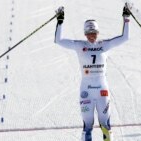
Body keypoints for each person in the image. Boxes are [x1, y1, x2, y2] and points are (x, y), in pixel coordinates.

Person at [54, 3, 130, 141]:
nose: (91, 36)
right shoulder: (79, 45)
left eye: (94, 33)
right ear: (85, 34)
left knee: (106, 126)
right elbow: (58, 40)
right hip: (86, 91)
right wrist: (60, 22)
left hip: (102, 90)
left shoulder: (104, 45)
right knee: (87, 127)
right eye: (89, 33)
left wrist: (126, 18)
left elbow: (125, 38)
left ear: (98, 32)